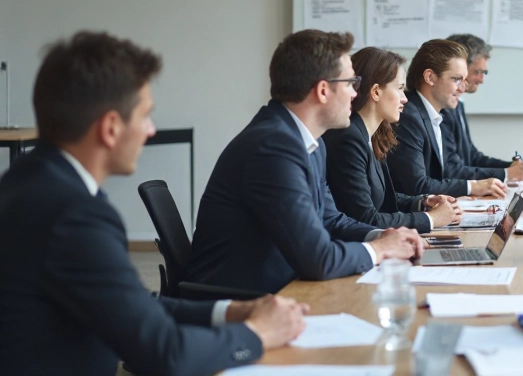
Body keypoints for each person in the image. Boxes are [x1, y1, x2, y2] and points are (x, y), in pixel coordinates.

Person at [0, 31, 309, 376]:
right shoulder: (75, 215)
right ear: (111, 127)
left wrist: (230, 311)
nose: (150, 131)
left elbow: (129, 305)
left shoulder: (27, 181)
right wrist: (259, 333)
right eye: (145, 116)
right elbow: (167, 354)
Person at [186, 30, 425, 294]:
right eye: (350, 84)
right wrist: (379, 250)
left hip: (283, 289)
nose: (355, 94)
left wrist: (381, 236)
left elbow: (331, 219)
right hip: (243, 303)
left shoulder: (309, 140)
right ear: (323, 90)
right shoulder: (273, 147)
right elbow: (318, 259)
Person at [324, 47, 462, 233]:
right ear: (376, 92)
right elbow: (366, 218)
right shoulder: (348, 140)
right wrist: (431, 219)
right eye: (399, 89)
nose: (405, 99)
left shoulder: (371, 134)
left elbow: (383, 197)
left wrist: (422, 202)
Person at [386, 39, 506, 198]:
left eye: (464, 80)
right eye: (456, 79)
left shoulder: (433, 116)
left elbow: (444, 172)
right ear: (430, 77)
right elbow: (416, 186)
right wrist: (472, 187)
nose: (462, 88)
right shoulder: (409, 117)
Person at [443, 33, 523, 182]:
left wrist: (511, 167)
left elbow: (471, 157)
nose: (481, 80)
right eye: (478, 72)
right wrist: (507, 173)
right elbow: (451, 169)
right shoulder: (441, 109)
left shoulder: (457, 105)